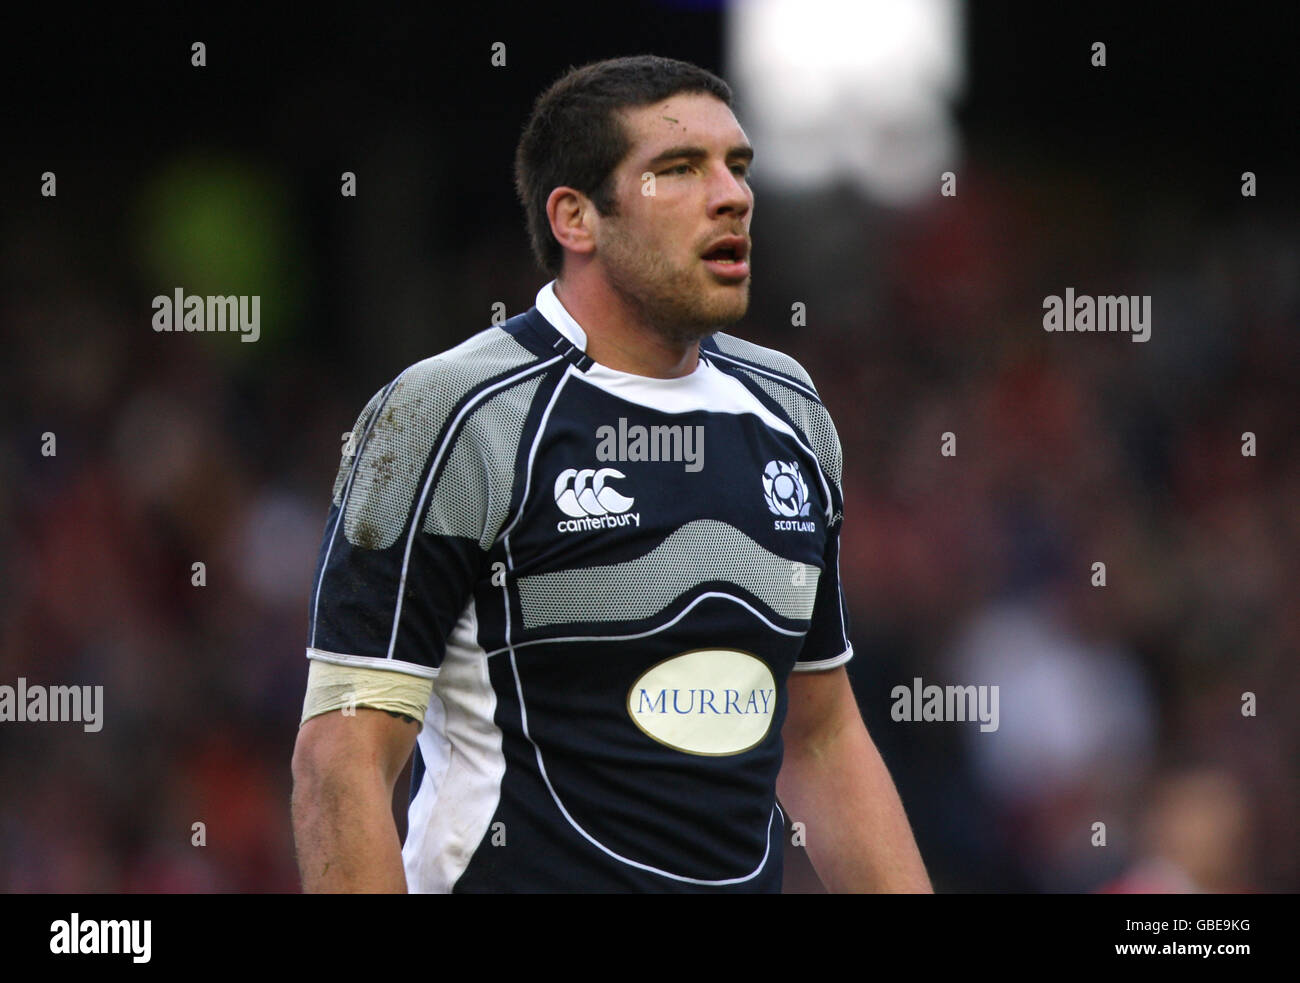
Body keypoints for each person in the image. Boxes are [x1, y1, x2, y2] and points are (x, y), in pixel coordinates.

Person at [291, 53, 931, 893]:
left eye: (737, 166)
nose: (732, 194)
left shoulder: (791, 411)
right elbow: (341, 756)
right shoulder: (448, 415)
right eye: (679, 169)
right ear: (575, 218)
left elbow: (820, 735)